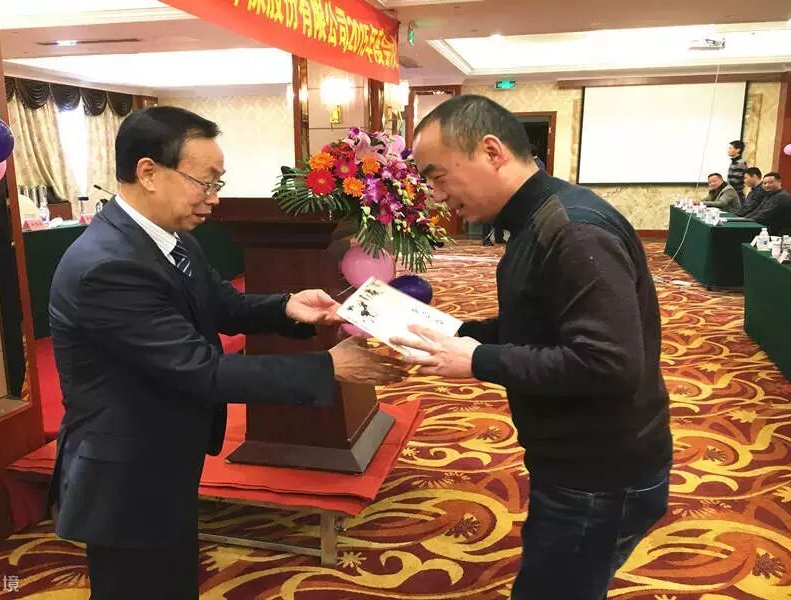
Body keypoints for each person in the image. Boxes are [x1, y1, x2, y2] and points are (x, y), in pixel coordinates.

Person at [48, 106, 406, 600]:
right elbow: (201, 371)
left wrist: (287, 306)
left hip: (162, 454)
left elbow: (222, 305)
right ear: (148, 172)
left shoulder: (169, 237)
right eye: (206, 181)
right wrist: (329, 367)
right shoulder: (108, 265)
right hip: (126, 473)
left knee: (173, 581)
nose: (214, 198)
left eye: (219, 182)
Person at [391, 95, 672, 599]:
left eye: (439, 177)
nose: (436, 196)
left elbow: (608, 363)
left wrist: (478, 359)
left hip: (599, 473)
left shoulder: (574, 230)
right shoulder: (539, 218)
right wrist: (465, 332)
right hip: (580, 459)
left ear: (492, 151)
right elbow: (544, 323)